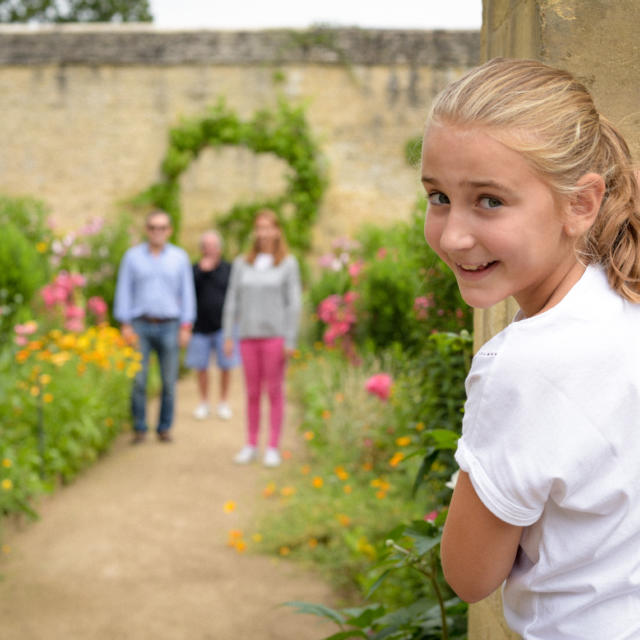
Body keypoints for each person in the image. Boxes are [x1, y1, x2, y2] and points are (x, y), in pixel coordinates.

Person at [422, 58, 640, 638]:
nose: (452, 235)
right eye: (438, 196)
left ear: (581, 204)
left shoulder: (525, 363)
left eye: (489, 200)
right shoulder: (626, 303)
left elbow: (470, 575)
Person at [222, 209, 302, 467]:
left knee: (275, 391)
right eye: (259, 227)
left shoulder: (288, 263)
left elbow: (294, 304)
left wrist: (290, 340)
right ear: (255, 232)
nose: (263, 232)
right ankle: (251, 444)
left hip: (275, 337)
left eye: (268, 227)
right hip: (248, 336)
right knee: (252, 392)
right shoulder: (241, 263)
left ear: (277, 230)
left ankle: (273, 446)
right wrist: (227, 334)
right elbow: (232, 299)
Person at [114, 210, 196, 443]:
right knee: (138, 380)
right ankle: (140, 427)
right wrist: (125, 323)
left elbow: (187, 293)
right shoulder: (132, 257)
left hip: (170, 324)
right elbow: (124, 290)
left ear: (169, 230)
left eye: (162, 228)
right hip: (140, 324)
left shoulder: (179, 258)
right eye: (152, 227)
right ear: (146, 229)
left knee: (169, 381)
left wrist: (186, 326)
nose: (157, 232)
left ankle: (164, 427)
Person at [185, 230, 239, 421]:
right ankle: (204, 402)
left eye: (213, 246)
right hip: (200, 327)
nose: (210, 250)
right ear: (201, 249)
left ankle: (223, 402)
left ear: (219, 249)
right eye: (206, 246)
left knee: (226, 366)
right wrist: (201, 271)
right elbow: (187, 293)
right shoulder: (193, 270)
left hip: (224, 327)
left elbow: (235, 296)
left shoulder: (229, 269)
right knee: (201, 367)